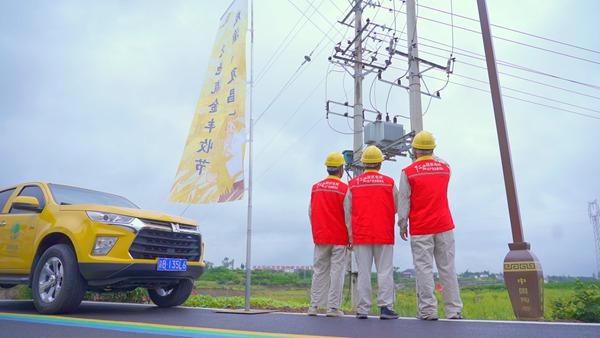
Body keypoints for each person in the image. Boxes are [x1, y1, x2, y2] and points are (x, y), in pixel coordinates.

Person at [397, 131, 464, 320]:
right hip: (444, 225)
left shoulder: (407, 172)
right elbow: (441, 162)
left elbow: (404, 200)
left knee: (424, 269)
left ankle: (428, 310)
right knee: (447, 267)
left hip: (421, 228)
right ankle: (453, 310)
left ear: (414, 150)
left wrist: (402, 224)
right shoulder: (444, 168)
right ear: (433, 148)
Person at [344, 145, 400, 320]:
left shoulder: (353, 184)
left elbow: (348, 211)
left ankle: (363, 309)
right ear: (380, 165)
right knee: (385, 271)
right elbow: (396, 206)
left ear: (364, 164)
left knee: (364, 272)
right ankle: (385, 308)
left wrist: (350, 236)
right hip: (384, 233)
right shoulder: (389, 182)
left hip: (361, 234)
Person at [308, 152, 349, 317]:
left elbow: (311, 212)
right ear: (341, 169)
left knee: (319, 271)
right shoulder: (345, 189)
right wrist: (351, 237)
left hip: (321, 235)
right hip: (339, 237)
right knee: (337, 272)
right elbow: (348, 214)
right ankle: (333, 308)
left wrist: (316, 231)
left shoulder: (316, 187)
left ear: (328, 168)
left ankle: (314, 306)